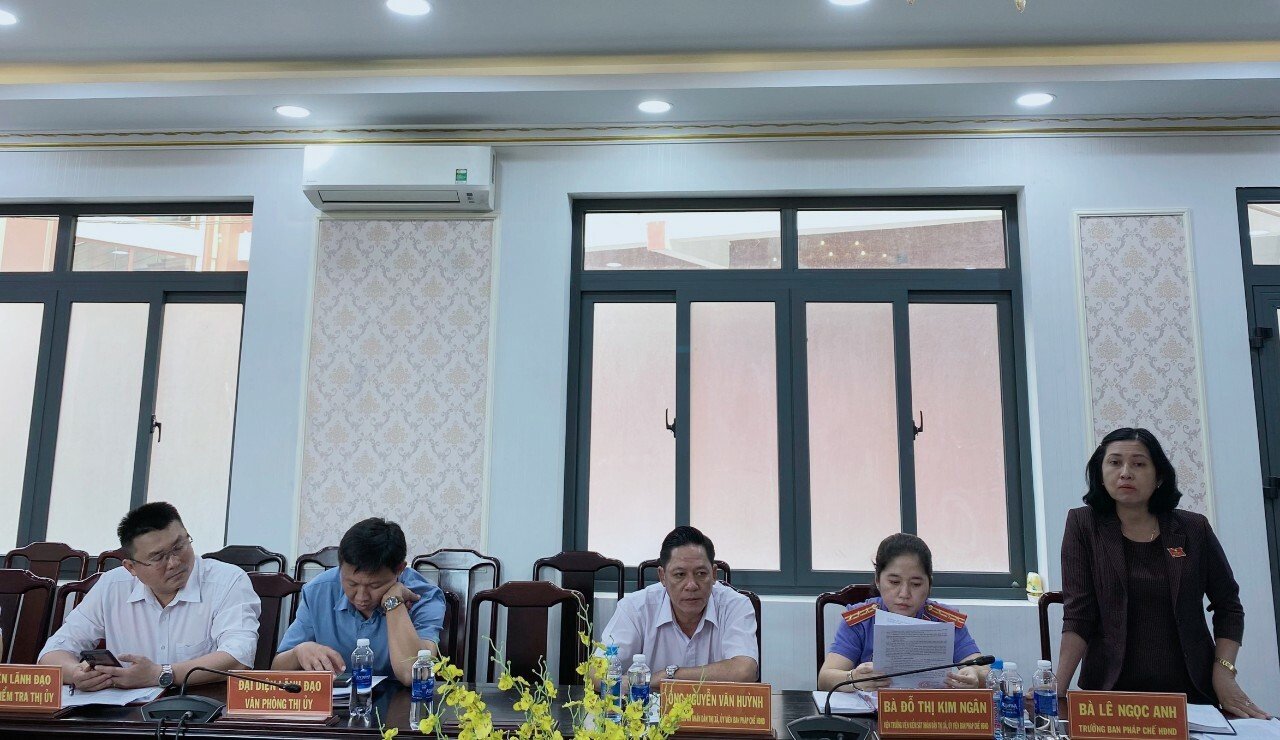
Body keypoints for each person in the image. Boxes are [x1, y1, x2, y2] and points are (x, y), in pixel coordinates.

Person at [1056, 427, 1269, 718]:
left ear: (1159, 477)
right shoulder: (1083, 525)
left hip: (1191, 691)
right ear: (1100, 473)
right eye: (1115, 462)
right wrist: (1055, 689)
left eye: (1139, 464)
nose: (1126, 473)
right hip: (1110, 692)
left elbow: (1228, 606)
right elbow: (1079, 612)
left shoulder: (1193, 529)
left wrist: (1224, 673)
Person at [39, 502, 260, 691]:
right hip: (124, 714)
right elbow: (52, 652)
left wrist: (159, 674)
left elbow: (239, 657)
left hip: (199, 708)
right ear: (131, 567)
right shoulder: (112, 586)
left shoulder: (227, 581)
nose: (174, 562)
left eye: (179, 546)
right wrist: (76, 674)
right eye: (158, 557)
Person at [273, 517, 445, 686]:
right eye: (352, 584)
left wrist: (393, 602)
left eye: (375, 585)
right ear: (340, 567)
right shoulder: (318, 591)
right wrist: (299, 652)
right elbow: (275, 670)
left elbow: (413, 675)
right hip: (338, 702)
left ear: (399, 569)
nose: (361, 597)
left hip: (401, 701)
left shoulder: (424, 596)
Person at [818, 533, 986, 691]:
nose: (904, 593)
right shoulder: (860, 620)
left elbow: (984, 670)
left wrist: (975, 676)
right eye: (894, 582)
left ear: (929, 585)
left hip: (930, 709)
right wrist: (853, 678)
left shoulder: (946, 621)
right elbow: (825, 678)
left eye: (916, 584)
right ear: (878, 580)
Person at [600, 526, 758, 684]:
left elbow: (744, 671)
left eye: (701, 573)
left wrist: (668, 677)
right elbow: (597, 671)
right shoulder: (635, 608)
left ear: (714, 574)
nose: (691, 585)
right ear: (662, 576)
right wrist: (644, 684)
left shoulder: (735, 606)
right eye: (680, 574)